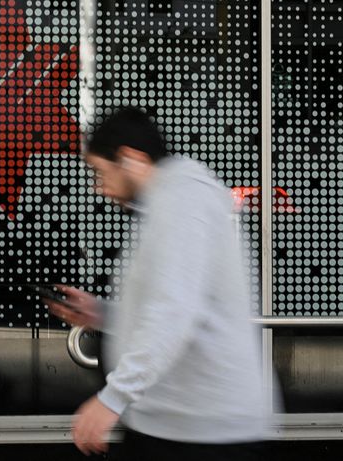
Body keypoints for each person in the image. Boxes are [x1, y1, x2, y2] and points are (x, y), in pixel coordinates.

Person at [47, 108, 269, 460]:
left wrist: (112, 399)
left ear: (131, 159)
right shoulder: (165, 204)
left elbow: (173, 311)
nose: (98, 187)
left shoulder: (183, 201)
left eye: (100, 172)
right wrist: (101, 312)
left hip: (205, 432)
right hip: (171, 423)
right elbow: (170, 305)